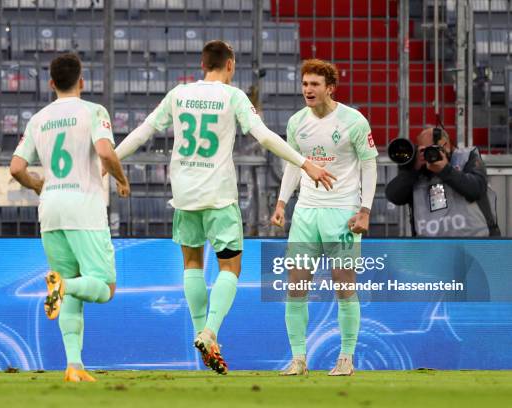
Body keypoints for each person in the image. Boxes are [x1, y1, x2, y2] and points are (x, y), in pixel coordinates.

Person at [115, 40, 336, 374]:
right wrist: (305, 163)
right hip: (218, 196)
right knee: (230, 269)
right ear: (230, 65)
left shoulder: (178, 94)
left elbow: (144, 131)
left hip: (185, 196)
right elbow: (263, 137)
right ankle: (210, 331)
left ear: (203, 64)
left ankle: (202, 335)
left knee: (191, 265)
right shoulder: (233, 97)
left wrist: (111, 160)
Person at [9, 53, 130, 382]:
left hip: (50, 209)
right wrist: (121, 179)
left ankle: (74, 365)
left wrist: (36, 185)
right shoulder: (93, 111)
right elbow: (105, 152)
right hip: (84, 208)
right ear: (82, 81)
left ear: (51, 84)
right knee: (104, 288)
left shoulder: (38, 119)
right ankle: (63, 286)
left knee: (70, 288)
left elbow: (16, 168)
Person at [270, 59, 378, 376]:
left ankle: (346, 357)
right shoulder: (297, 122)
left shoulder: (354, 121)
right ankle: (299, 359)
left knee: (344, 286)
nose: (308, 90)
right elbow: (294, 164)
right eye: (305, 84)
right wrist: (281, 202)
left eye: (315, 84)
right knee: (295, 286)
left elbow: (370, 165)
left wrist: (365, 210)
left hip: (342, 211)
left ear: (329, 88)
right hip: (306, 212)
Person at [385, 127, 499, 237]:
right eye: (423, 150)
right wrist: (413, 170)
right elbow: (394, 195)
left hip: (477, 245)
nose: (428, 154)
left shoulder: (466, 158)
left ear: (447, 146)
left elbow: (476, 189)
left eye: (432, 149)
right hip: (432, 250)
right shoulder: (417, 172)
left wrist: (445, 170)